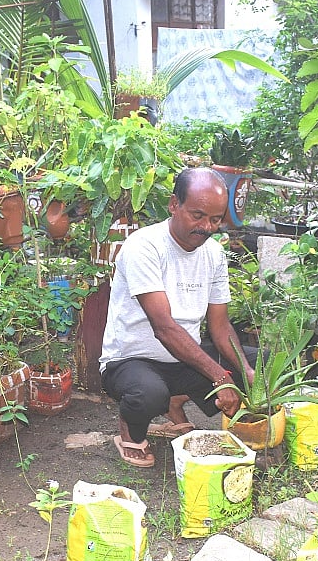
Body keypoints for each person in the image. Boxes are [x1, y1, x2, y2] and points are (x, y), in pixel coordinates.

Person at [100, 167, 257, 467]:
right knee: (148, 393)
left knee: (255, 364)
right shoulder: (144, 246)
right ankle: (129, 432)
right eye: (197, 215)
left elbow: (220, 327)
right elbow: (164, 327)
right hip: (130, 361)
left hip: (183, 359)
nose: (206, 226)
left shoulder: (214, 254)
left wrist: (245, 373)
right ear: (174, 204)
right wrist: (220, 378)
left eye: (214, 219)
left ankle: (175, 400)